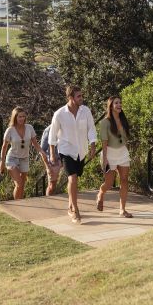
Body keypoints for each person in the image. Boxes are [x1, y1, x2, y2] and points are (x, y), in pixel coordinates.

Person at [49, 85, 96, 223]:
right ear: (70, 98)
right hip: (66, 150)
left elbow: (91, 129)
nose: (81, 98)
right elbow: (52, 136)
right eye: (78, 96)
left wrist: (92, 146)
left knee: (75, 179)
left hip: (81, 151)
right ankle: (75, 209)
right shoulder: (59, 114)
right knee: (72, 178)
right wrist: (52, 154)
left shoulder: (85, 111)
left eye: (82, 95)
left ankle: (70, 205)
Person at [96, 96, 133, 218]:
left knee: (124, 179)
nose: (119, 105)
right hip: (109, 153)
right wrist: (105, 159)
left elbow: (125, 138)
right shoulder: (104, 123)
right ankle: (101, 193)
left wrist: (125, 150)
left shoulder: (123, 120)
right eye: (116, 103)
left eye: (120, 103)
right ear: (111, 106)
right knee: (109, 183)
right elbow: (104, 143)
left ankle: (122, 210)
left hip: (122, 152)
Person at [0, 107, 46, 200]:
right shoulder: (10, 130)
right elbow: (4, 147)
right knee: (19, 183)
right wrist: (2, 162)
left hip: (25, 158)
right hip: (12, 158)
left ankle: (20, 203)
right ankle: (16, 205)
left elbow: (35, 143)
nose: (22, 118)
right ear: (15, 117)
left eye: (23, 116)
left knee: (22, 185)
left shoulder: (29, 128)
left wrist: (42, 152)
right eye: (19, 116)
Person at [40, 124, 61, 196]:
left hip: (66, 158)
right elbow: (42, 150)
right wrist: (47, 166)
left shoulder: (68, 126)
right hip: (53, 161)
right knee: (52, 186)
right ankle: (50, 201)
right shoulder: (48, 130)